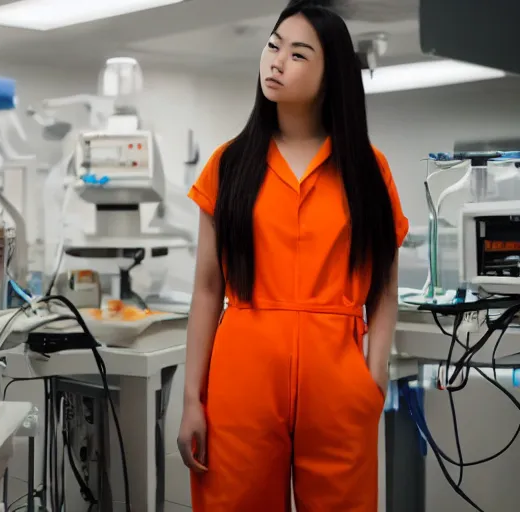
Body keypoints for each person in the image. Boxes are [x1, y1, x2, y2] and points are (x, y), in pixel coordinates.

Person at [176, 2, 409, 511]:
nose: (276, 62)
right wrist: (192, 397)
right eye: (273, 45)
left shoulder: (369, 170)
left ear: (331, 78)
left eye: (298, 53)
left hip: (339, 380)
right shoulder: (230, 163)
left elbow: (385, 287)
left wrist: (375, 375)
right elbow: (208, 289)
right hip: (243, 374)